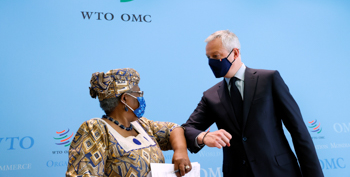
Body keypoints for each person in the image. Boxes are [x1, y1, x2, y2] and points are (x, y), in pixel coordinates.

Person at [182, 30, 324, 177]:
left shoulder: (269, 80)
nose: (211, 62)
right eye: (208, 57)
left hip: (279, 172)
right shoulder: (211, 96)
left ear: (235, 53)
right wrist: (203, 137)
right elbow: (186, 129)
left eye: (216, 56)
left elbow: (298, 131)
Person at [66, 68, 191, 177]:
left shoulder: (141, 125)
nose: (141, 98)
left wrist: (181, 151)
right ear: (125, 98)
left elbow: (173, 129)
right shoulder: (95, 129)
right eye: (138, 93)